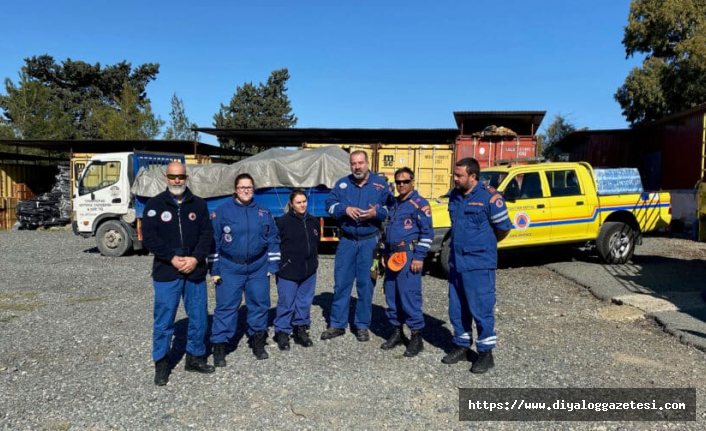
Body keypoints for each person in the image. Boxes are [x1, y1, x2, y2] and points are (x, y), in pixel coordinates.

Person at [142, 162, 216, 386]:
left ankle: (194, 357)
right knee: (164, 320)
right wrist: (172, 258)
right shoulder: (155, 205)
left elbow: (207, 235)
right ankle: (162, 363)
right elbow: (150, 237)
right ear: (166, 177)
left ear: (186, 177)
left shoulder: (199, 205)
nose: (177, 181)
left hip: (194, 270)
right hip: (167, 270)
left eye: (181, 177)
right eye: (173, 177)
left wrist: (195, 259)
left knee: (199, 317)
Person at [442, 157, 511, 374]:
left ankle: (485, 353)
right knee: (457, 308)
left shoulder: (490, 198)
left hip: (479, 263)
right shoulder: (454, 195)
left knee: (481, 309)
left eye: (459, 175)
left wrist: (484, 245)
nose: (455, 178)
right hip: (457, 262)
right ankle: (462, 346)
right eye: (455, 174)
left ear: (473, 177)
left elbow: (503, 229)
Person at [321, 150, 393, 342]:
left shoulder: (380, 184)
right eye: (354, 163)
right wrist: (345, 209)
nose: (357, 167)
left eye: (361, 163)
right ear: (350, 165)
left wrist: (375, 213)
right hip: (347, 241)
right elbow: (328, 205)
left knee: (366, 284)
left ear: (367, 163)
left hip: (370, 241)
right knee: (341, 283)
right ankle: (337, 324)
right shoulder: (343, 184)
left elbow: (390, 209)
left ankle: (362, 325)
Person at [209, 174, 280, 362]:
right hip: (230, 266)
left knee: (259, 304)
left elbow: (273, 238)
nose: (246, 190)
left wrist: (272, 265)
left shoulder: (264, 211)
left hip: (258, 266)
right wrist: (214, 269)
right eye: (242, 187)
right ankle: (219, 346)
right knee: (226, 306)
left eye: (249, 187)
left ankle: (257, 341)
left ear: (253, 188)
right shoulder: (222, 211)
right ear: (235, 189)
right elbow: (213, 241)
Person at [380, 167, 433, 357]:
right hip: (393, 257)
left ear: (412, 181)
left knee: (409, 297)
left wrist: (419, 256)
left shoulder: (419, 204)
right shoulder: (394, 204)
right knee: (392, 296)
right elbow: (389, 232)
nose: (401, 185)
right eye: (398, 182)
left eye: (405, 181)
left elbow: (428, 234)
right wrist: (385, 253)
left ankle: (416, 338)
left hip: (409, 256)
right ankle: (397, 333)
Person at [272, 190, 319, 350]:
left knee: (304, 302)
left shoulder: (313, 220)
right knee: (286, 302)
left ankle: (301, 329)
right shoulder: (282, 222)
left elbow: (315, 242)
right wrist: (279, 264)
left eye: (304, 201)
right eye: (298, 202)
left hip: (308, 270)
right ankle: (282, 332)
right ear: (291, 204)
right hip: (288, 270)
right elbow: (275, 244)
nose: (302, 205)